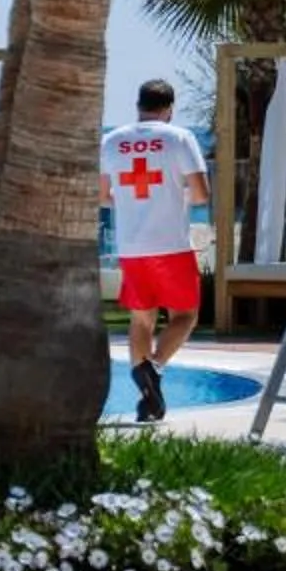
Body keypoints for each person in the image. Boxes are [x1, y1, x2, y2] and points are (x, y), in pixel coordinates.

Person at [100, 78, 210, 423]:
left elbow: (103, 196)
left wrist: (133, 203)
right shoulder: (179, 137)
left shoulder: (112, 141)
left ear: (138, 105)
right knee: (185, 315)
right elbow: (202, 194)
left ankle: (148, 400)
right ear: (169, 109)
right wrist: (172, 198)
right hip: (171, 245)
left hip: (132, 247)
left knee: (141, 319)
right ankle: (154, 367)